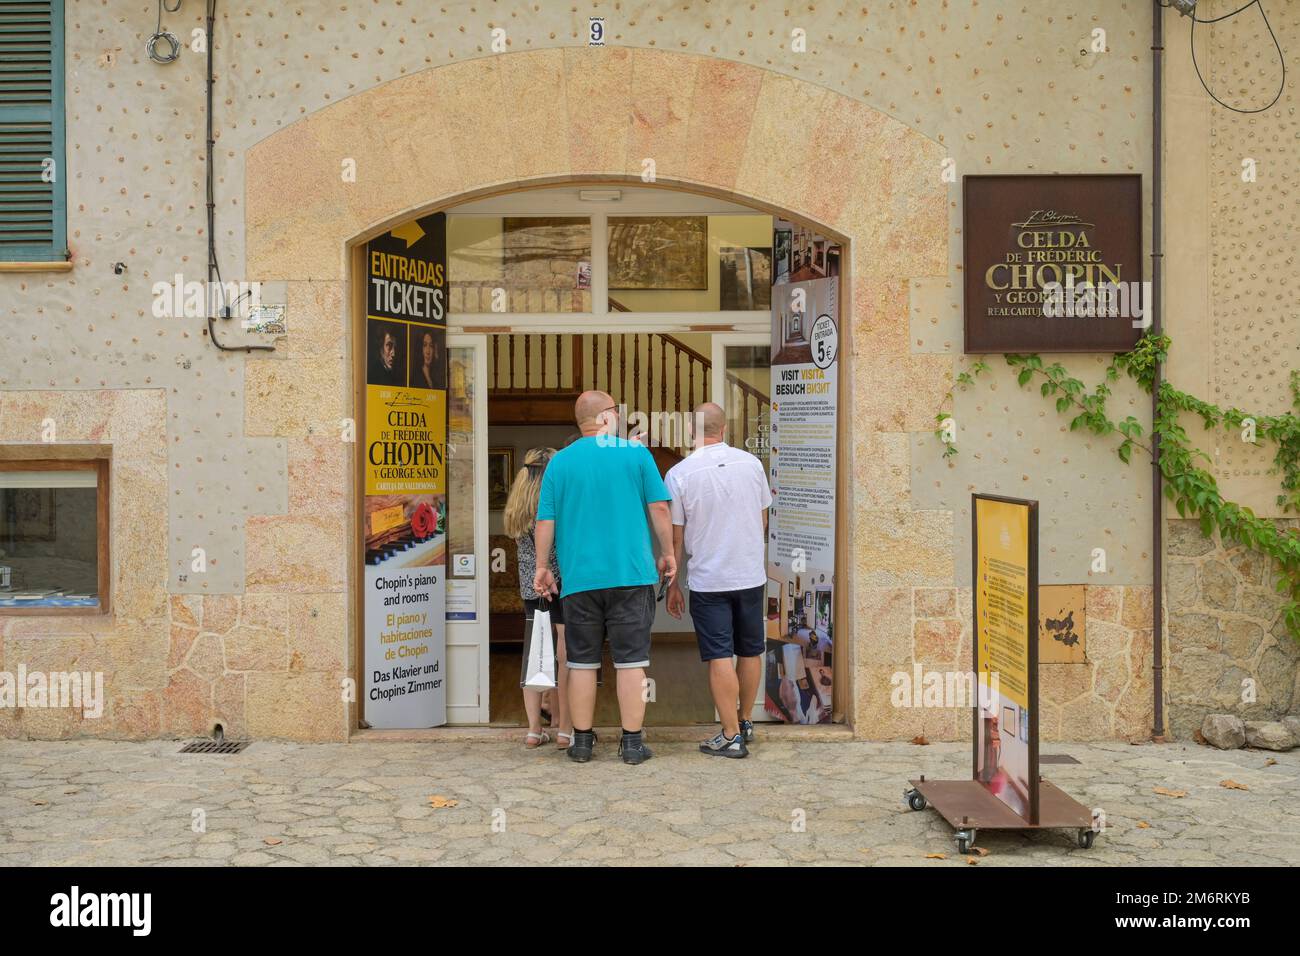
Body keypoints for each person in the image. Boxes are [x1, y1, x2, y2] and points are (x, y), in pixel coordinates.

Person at [533, 391, 675, 765]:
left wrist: (542, 566)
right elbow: (659, 507)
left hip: (581, 579)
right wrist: (669, 552)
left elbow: (545, 520)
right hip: (631, 575)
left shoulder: (560, 463)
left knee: (581, 662)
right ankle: (631, 744)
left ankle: (581, 743)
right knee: (631, 661)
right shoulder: (635, 453)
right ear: (608, 415)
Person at [665, 402, 771, 758]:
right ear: (724, 429)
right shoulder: (752, 464)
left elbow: (676, 538)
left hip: (710, 579)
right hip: (750, 574)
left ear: (692, 432)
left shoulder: (680, 474)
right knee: (751, 649)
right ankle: (744, 721)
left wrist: (673, 584)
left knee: (719, 656)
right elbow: (762, 521)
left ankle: (729, 735)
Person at [503, 447, 569, 749]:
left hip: (531, 588)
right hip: (561, 584)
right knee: (565, 655)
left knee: (536, 657)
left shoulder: (517, 506)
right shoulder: (554, 500)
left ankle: (533, 730)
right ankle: (562, 725)